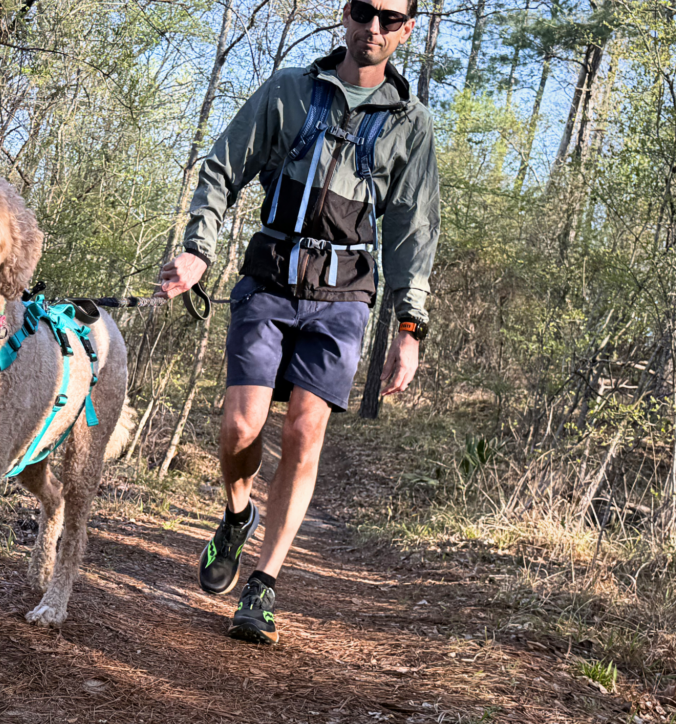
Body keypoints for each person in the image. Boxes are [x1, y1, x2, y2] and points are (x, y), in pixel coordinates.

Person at [154, 0, 440, 644]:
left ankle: (264, 585)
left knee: (306, 431)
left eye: (390, 18)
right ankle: (236, 514)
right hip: (269, 282)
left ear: (406, 29)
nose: (374, 27)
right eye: (365, 11)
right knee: (239, 426)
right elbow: (223, 170)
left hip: (345, 299)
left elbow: (413, 234)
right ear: (346, 14)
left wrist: (409, 329)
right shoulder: (290, 90)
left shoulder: (411, 125)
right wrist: (198, 251)